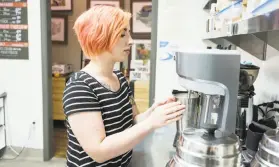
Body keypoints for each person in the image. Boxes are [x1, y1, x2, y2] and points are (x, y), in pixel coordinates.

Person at [62, 5, 185, 167]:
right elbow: (99, 151)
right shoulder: (79, 87)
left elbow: (132, 121)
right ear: (99, 37)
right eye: (122, 35)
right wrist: (152, 123)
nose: (131, 41)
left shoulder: (119, 78)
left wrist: (152, 112)